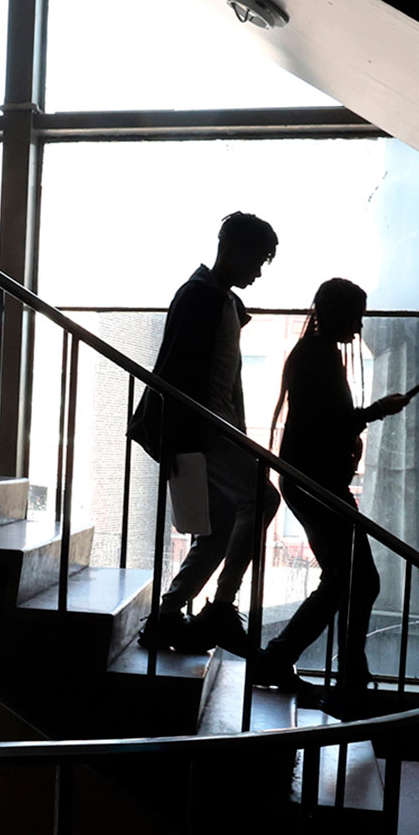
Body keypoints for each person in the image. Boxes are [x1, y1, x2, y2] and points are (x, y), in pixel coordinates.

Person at [251, 278, 418, 718]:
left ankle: (288, 660)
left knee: (345, 580)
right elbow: (333, 425)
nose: (360, 324)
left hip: (310, 481)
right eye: (356, 314)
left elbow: (322, 423)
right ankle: (343, 680)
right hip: (319, 483)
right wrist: (379, 410)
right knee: (359, 581)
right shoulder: (320, 359)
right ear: (338, 313)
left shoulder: (314, 354)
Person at [140, 212, 281, 655]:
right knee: (262, 500)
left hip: (212, 429)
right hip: (201, 429)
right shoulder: (201, 297)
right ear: (231, 249)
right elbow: (178, 376)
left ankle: (170, 612)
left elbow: (223, 379)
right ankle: (220, 606)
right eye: (257, 260)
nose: (258, 271)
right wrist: (182, 442)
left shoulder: (214, 298)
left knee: (221, 525)